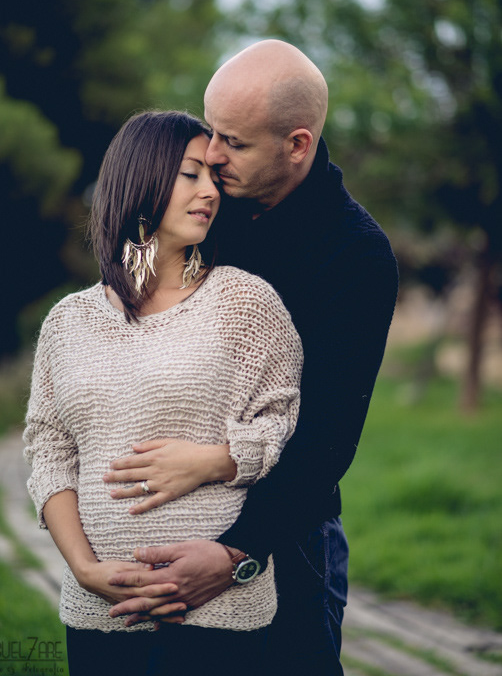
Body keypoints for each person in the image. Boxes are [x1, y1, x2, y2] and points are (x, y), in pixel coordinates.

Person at [104, 41, 399, 675]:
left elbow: (325, 438)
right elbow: (125, 300)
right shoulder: (207, 205)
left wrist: (237, 551)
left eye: (233, 143)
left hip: (283, 539)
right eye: (210, 131)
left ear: (297, 145)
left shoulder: (356, 258)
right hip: (156, 522)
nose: (211, 155)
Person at [23, 110, 303, 676]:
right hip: (103, 611)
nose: (209, 193)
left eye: (214, 179)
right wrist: (83, 567)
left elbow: (284, 427)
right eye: (190, 175)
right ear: (142, 181)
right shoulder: (68, 321)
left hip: (219, 613)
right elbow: (49, 452)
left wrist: (217, 462)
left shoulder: (245, 303)